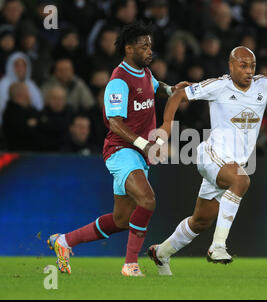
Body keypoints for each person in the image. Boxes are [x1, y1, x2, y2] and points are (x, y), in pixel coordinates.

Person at [147, 46, 267, 275]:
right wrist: (167, 124)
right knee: (241, 181)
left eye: (252, 66)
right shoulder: (218, 85)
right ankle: (217, 247)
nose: (249, 71)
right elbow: (179, 94)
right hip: (211, 155)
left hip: (230, 165)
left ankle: (161, 253)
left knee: (200, 221)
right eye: (243, 65)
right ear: (231, 65)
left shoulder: (264, 86)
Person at [47, 22, 189, 277]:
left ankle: (64, 242)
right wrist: (143, 144)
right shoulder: (119, 80)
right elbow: (114, 122)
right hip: (121, 151)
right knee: (147, 200)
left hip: (138, 154)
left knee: (122, 219)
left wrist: (173, 89)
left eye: (150, 46)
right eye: (144, 46)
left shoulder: (144, 73)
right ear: (128, 48)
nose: (149, 51)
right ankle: (130, 264)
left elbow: (157, 88)